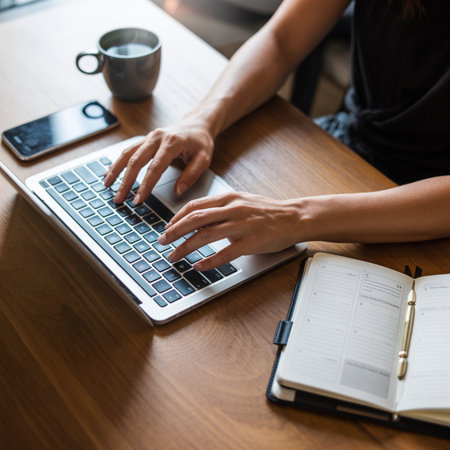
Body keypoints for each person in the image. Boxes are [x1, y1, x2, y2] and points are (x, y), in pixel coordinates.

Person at [104, 0, 450, 272]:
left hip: (426, 213)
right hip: (351, 149)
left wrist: (297, 218)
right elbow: (281, 40)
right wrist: (203, 120)